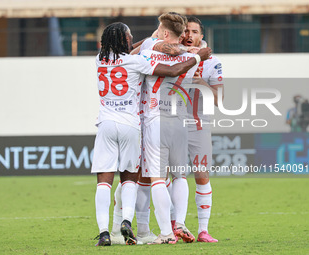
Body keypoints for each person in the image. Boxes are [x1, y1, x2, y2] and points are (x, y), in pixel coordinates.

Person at [92, 21, 211, 246]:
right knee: (137, 179)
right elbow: (174, 69)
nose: (131, 39)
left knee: (104, 183)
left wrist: (149, 40)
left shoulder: (99, 59)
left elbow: (129, 48)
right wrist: (197, 55)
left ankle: (105, 231)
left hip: (107, 123)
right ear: (124, 40)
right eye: (128, 36)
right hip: (134, 124)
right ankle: (134, 221)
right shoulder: (138, 61)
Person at [139, 13, 211, 244]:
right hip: (180, 121)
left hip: (156, 119)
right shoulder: (192, 59)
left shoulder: (149, 52)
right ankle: (179, 223)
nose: (157, 33)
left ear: (166, 33)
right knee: (180, 176)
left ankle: (166, 233)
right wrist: (195, 53)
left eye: (160, 30)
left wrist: (157, 39)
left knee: (158, 179)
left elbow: (141, 47)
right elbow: (193, 53)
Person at [182, 16, 224, 243]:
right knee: (171, 177)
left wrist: (202, 83)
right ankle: (173, 228)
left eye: (194, 32)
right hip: (170, 125)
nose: (189, 35)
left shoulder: (212, 62)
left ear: (201, 37)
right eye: (186, 31)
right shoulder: (170, 57)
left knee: (201, 175)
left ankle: (203, 230)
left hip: (198, 125)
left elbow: (219, 100)